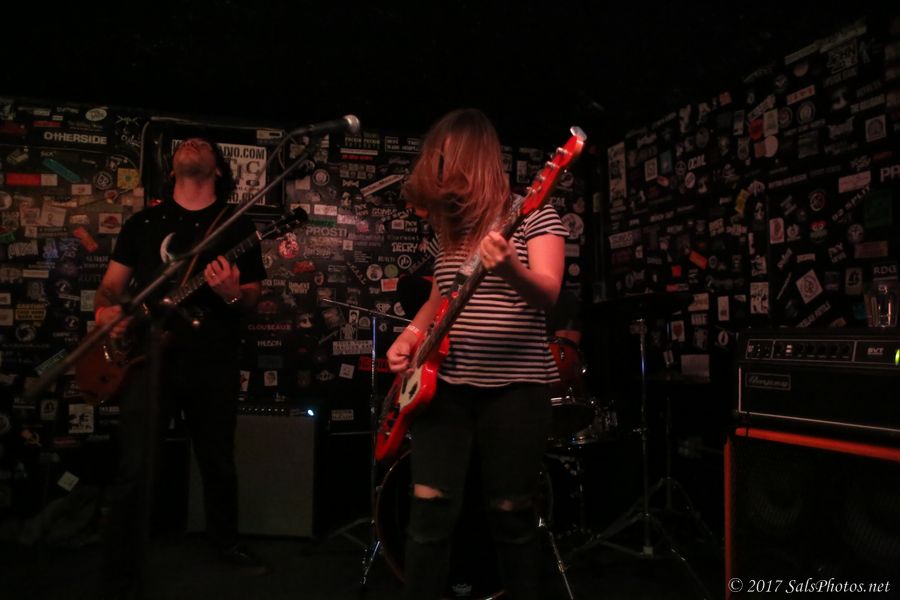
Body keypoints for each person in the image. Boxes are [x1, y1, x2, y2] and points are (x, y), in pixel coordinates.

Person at [386, 108, 567, 600]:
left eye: (446, 159)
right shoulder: (451, 228)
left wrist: (509, 268)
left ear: (472, 159)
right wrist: (410, 336)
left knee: (512, 516)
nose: (439, 169)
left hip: (516, 389)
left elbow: (549, 293)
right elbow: (439, 297)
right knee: (428, 513)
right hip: (444, 387)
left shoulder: (535, 214)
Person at [94, 135, 267, 598]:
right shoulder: (143, 222)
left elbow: (252, 297)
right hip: (147, 357)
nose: (192, 144)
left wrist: (232, 293)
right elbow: (110, 287)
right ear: (171, 169)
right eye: (185, 143)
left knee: (218, 459)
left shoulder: (236, 225)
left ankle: (226, 543)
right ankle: (122, 559)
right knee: (136, 463)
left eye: (202, 143)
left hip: (213, 360)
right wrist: (106, 313)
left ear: (218, 168)